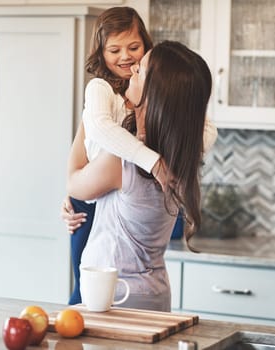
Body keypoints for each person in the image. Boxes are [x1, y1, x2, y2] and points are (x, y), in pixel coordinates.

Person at [63, 6, 217, 305]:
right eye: (116, 50)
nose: (131, 65)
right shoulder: (179, 155)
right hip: (156, 293)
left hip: (117, 299)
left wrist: (88, 121)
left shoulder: (123, 161)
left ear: (154, 93)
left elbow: (74, 182)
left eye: (139, 61)